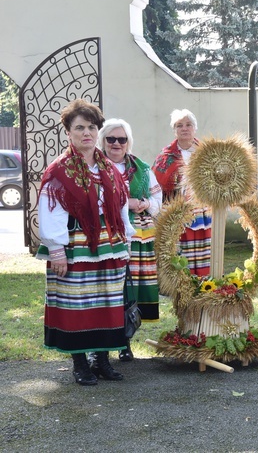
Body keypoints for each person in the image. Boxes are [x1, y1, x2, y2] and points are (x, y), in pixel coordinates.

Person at [36, 99, 134, 386]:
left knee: (107, 300)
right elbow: (50, 212)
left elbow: (122, 207)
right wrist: (57, 250)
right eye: (79, 127)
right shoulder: (59, 171)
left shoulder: (109, 168)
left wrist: (125, 240)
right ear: (69, 132)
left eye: (91, 127)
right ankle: (80, 363)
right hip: (75, 245)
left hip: (109, 244)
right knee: (77, 304)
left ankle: (102, 360)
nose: (86, 133)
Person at [98, 118, 163, 362]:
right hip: (107, 235)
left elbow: (158, 202)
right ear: (102, 141)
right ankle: (104, 342)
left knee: (131, 290)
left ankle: (125, 341)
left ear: (128, 142)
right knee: (110, 289)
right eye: (111, 139)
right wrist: (125, 203)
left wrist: (143, 203)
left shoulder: (143, 169)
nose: (116, 144)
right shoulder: (95, 167)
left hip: (139, 238)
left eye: (121, 139)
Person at [152, 109, 211, 277]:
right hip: (176, 212)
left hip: (202, 212)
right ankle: (181, 288)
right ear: (174, 130)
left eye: (188, 125)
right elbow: (156, 183)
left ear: (195, 128)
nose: (184, 128)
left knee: (202, 251)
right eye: (179, 125)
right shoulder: (165, 156)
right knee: (180, 252)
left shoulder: (208, 152)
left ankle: (203, 286)